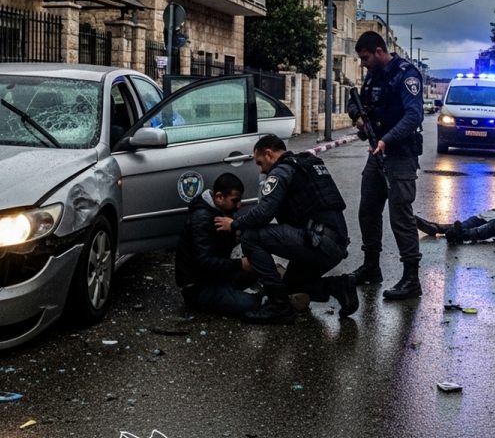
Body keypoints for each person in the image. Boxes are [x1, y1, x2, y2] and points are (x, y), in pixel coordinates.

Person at [214, 134, 357, 324]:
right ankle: (339, 286)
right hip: (334, 243)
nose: (261, 169)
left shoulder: (281, 171)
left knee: (251, 237)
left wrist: (234, 224)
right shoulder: (305, 164)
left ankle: (278, 306)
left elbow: (264, 213)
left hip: (320, 243)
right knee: (290, 286)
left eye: (260, 163)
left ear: (269, 153)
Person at [347, 31, 425, 300]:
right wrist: (357, 116)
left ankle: (411, 279)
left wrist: (387, 140)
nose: (363, 63)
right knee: (368, 209)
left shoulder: (406, 75)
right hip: (376, 152)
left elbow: (413, 116)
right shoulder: (372, 77)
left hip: (400, 154)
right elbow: (356, 102)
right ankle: (371, 267)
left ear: (379, 51)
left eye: (366, 58)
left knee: (400, 216)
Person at [174, 173, 261, 315]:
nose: (239, 205)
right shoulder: (202, 219)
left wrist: (234, 232)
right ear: (220, 197)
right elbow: (204, 262)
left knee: (255, 273)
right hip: (198, 288)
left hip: (214, 277)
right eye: (235, 200)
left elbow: (220, 250)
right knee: (252, 304)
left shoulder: (219, 212)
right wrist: (240, 264)